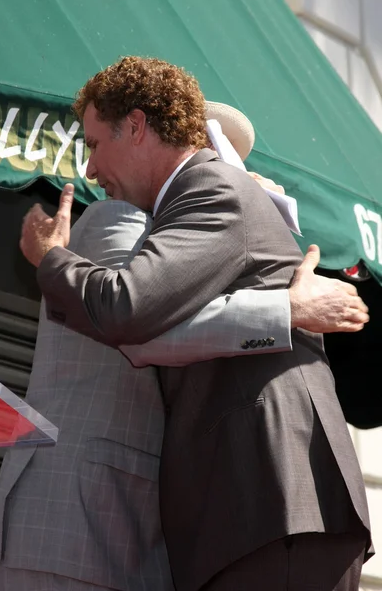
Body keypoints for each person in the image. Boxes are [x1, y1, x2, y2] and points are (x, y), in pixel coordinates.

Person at [19, 57, 371, 591]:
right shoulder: (198, 197)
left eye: (93, 145)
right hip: (258, 507)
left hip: (272, 498)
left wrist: (51, 259)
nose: (89, 170)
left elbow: (127, 308)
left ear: (136, 126)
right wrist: (286, 311)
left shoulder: (211, 187)